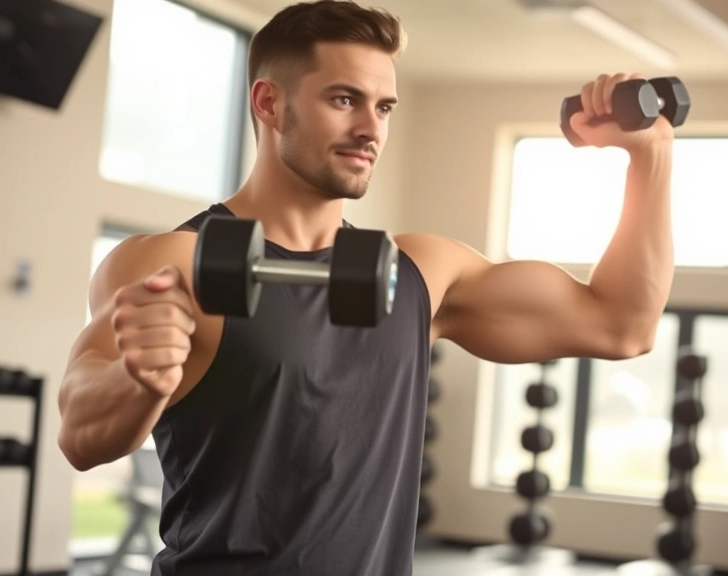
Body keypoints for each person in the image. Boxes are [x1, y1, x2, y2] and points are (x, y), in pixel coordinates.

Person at [56, 0, 676, 574]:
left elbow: (623, 324)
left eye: (383, 108)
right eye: (344, 99)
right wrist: (137, 378)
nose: (370, 129)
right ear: (269, 103)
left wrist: (651, 156)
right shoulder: (175, 262)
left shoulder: (419, 272)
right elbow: (79, 436)